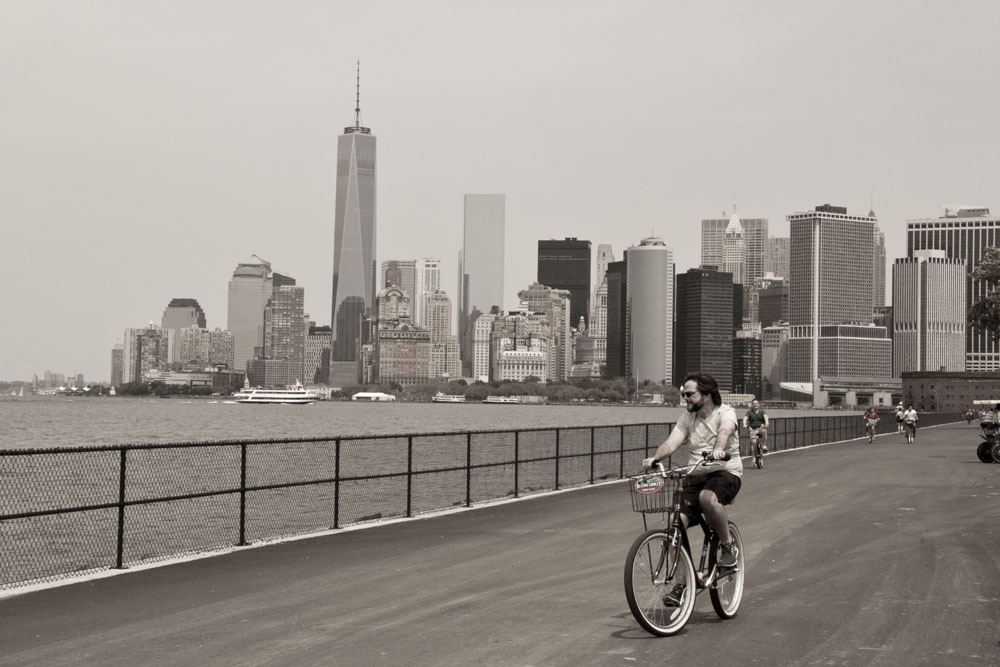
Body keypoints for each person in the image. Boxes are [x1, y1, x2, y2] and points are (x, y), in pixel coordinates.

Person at [643, 373, 742, 584]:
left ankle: (727, 545)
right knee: (673, 524)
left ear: (706, 394)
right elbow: (672, 442)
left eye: (689, 394)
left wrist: (717, 449)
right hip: (696, 473)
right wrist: (655, 457)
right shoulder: (688, 417)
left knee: (707, 497)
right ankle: (682, 582)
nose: (685, 398)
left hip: (725, 471)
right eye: (683, 394)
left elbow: (724, 432)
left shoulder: (726, 413)